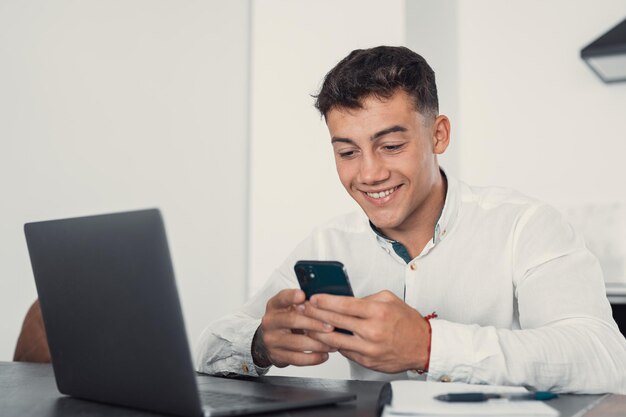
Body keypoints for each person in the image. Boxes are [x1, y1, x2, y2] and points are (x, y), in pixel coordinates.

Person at [196, 46, 626, 393]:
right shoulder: (328, 243)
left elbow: (605, 358)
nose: (368, 174)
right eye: (347, 152)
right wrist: (260, 344)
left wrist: (429, 346)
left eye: (391, 146)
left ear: (438, 134)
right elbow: (211, 347)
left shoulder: (527, 226)